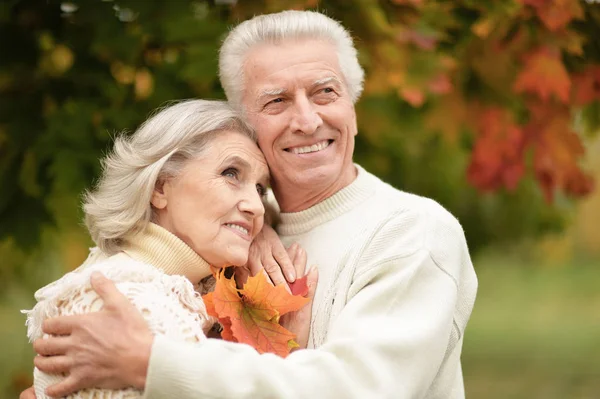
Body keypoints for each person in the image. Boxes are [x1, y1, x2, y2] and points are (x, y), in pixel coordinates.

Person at [25, 10, 478, 399]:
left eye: (325, 92)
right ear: (245, 125)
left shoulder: (411, 232)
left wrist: (152, 364)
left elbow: (357, 389)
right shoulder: (221, 242)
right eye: (277, 100)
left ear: (353, 107)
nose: (307, 119)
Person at [21, 99, 316, 398]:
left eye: (260, 189)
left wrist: (278, 350)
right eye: (230, 173)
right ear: (161, 187)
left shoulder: (187, 294)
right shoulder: (118, 300)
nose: (256, 207)